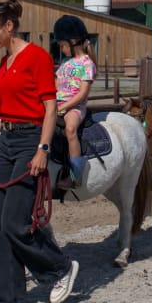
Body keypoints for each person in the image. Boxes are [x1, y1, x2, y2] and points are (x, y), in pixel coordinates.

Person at [0, 0, 79, 303]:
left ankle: (59, 269)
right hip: (7, 142)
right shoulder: (4, 63)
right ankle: (8, 297)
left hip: (30, 141)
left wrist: (43, 149)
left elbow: (50, 108)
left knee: (15, 221)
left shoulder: (36, 58)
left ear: (8, 26)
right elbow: (3, 115)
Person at [53, 14, 95, 185]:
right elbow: (54, 87)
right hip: (58, 105)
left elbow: (82, 94)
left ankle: (75, 174)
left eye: (62, 45)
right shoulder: (65, 65)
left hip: (75, 107)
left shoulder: (87, 64)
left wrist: (64, 107)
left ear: (73, 41)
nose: (61, 49)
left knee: (70, 129)